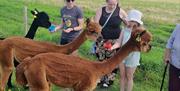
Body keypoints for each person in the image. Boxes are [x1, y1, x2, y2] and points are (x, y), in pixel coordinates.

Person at [94, 0, 128, 88]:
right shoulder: (100, 10)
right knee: (100, 60)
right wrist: (99, 34)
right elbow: (96, 24)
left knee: (112, 61)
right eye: (110, 4)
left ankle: (108, 80)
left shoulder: (120, 11)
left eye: (114, 4)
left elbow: (129, 24)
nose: (112, 6)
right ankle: (99, 79)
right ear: (106, 2)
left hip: (114, 41)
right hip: (101, 40)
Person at [110, 9, 143, 91]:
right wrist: (111, 47)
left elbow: (140, 46)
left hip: (133, 57)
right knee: (122, 75)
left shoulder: (140, 32)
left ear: (137, 22)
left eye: (133, 21)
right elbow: (118, 42)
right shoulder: (124, 29)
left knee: (129, 76)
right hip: (122, 55)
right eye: (130, 20)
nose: (131, 22)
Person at [163, 24, 180, 91]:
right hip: (174, 64)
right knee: (173, 87)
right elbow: (170, 42)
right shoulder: (178, 27)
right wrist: (167, 55)